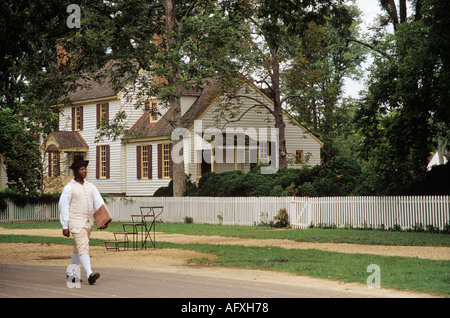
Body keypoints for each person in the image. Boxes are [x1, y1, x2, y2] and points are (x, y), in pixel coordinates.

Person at [59, 160, 104, 285]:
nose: (84, 171)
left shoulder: (91, 186)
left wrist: (103, 220)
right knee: (83, 247)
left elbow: (99, 203)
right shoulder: (69, 188)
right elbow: (63, 206)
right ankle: (90, 274)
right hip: (76, 222)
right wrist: (65, 225)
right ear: (75, 171)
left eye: (85, 169)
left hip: (89, 222)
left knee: (78, 249)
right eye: (81, 169)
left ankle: (71, 274)